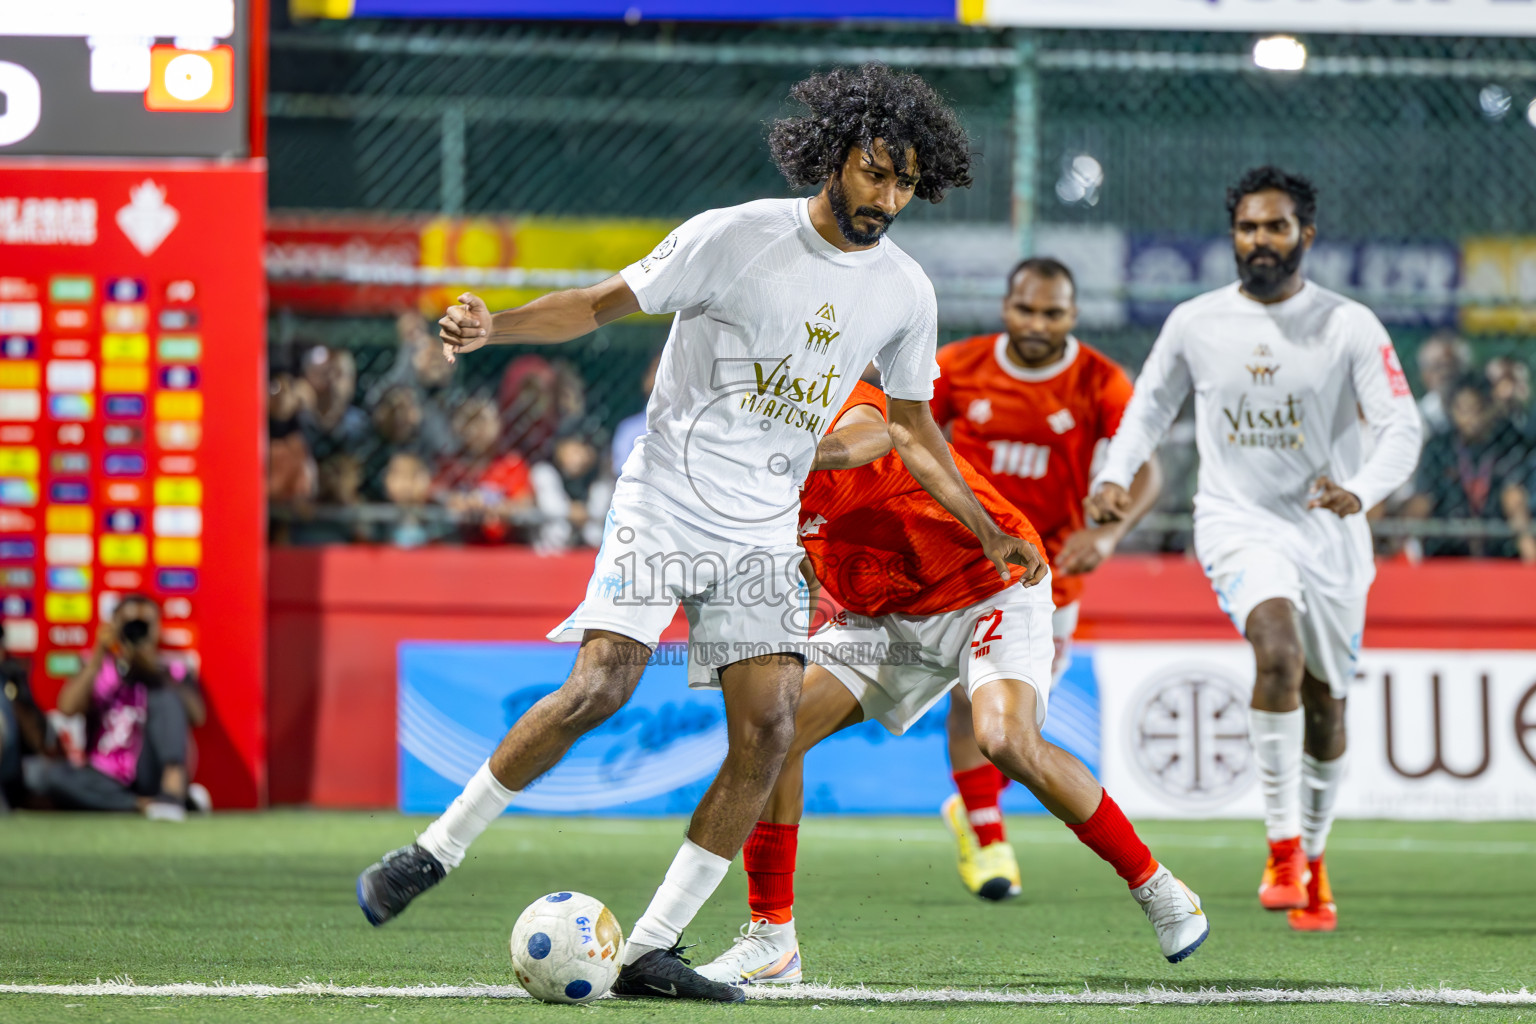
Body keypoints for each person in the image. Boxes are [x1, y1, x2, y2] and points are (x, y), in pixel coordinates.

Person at [354, 63, 1041, 1003]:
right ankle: (432, 852)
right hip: (664, 503)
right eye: (877, 173)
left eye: (907, 183)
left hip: (762, 531)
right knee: (600, 687)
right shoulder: (736, 236)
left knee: (765, 731)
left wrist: (980, 527)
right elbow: (599, 306)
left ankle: (650, 949)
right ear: (835, 156)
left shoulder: (904, 290)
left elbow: (915, 427)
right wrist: (493, 326)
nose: (889, 198)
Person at [694, 381, 1209, 986]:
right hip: (882, 614)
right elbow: (795, 565)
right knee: (773, 733)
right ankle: (772, 939)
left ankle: (1159, 889)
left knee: (1005, 740)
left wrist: (794, 453)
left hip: (987, 582)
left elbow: (873, 435)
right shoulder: (731, 475)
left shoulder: (830, 393)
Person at [1087, 166, 1422, 933]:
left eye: (1275, 227)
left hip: (1331, 527)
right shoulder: (1196, 322)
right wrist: (1112, 476)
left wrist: (1362, 491)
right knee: (1278, 655)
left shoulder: (1350, 325)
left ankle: (1312, 851)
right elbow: (1147, 410)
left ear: (1306, 233)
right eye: (1247, 227)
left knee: (1326, 703)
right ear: (1232, 234)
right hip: (1237, 521)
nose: (1259, 240)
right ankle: (1280, 849)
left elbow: (1402, 427)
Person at [926, 257, 1162, 901]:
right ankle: (988, 832)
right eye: (1026, 309)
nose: (1037, 323)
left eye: (1052, 312)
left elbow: (1147, 468)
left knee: (1016, 725)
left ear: (1073, 315)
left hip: (1049, 579)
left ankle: (973, 805)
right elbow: (905, 428)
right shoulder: (958, 364)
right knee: (967, 702)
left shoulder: (1099, 381)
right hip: (959, 565)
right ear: (1006, 307)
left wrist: (1109, 534)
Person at [34, 595, 208, 821]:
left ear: (157, 628)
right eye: (129, 624)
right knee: (50, 776)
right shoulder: (97, 666)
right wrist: (99, 654)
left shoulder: (172, 670)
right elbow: (67, 707)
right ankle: (146, 805)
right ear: (115, 625)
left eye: (144, 625)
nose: (137, 631)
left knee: (165, 696)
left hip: (150, 768)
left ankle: (172, 792)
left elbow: (198, 716)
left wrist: (152, 672)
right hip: (104, 775)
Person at [1403, 376, 1533, 561]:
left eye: (1477, 410)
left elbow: (1514, 496)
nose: (1471, 419)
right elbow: (1423, 498)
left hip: (1500, 543)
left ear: (1491, 408)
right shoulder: (1439, 447)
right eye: (1463, 410)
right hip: (1448, 544)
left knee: (1514, 500)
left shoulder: (1510, 442)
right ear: (1451, 410)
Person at [1414, 331, 1472, 436]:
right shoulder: (1419, 417)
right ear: (1425, 376)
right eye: (1437, 367)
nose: (1445, 373)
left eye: (1449, 365)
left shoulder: (1479, 409)